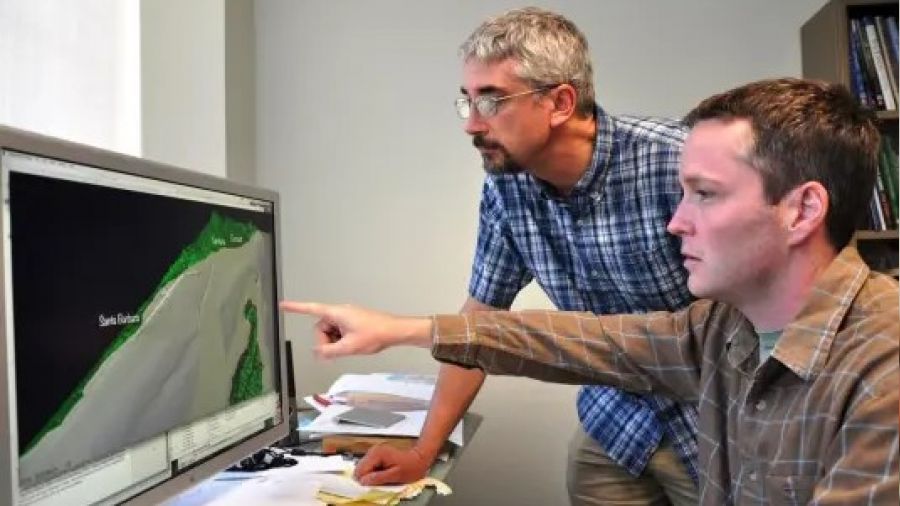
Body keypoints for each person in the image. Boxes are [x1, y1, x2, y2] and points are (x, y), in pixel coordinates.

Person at [282, 78, 900, 505]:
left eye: (705, 195)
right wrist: (402, 330)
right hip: (617, 427)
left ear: (802, 210)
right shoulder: (724, 329)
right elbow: (578, 341)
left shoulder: (882, 370)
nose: (676, 222)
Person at [312, 7, 700, 505]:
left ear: (560, 102)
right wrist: (423, 452)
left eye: (492, 101)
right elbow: (479, 322)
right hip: (616, 420)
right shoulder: (507, 187)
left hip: (708, 420)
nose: (472, 125)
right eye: (468, 101)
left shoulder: (677, 163)